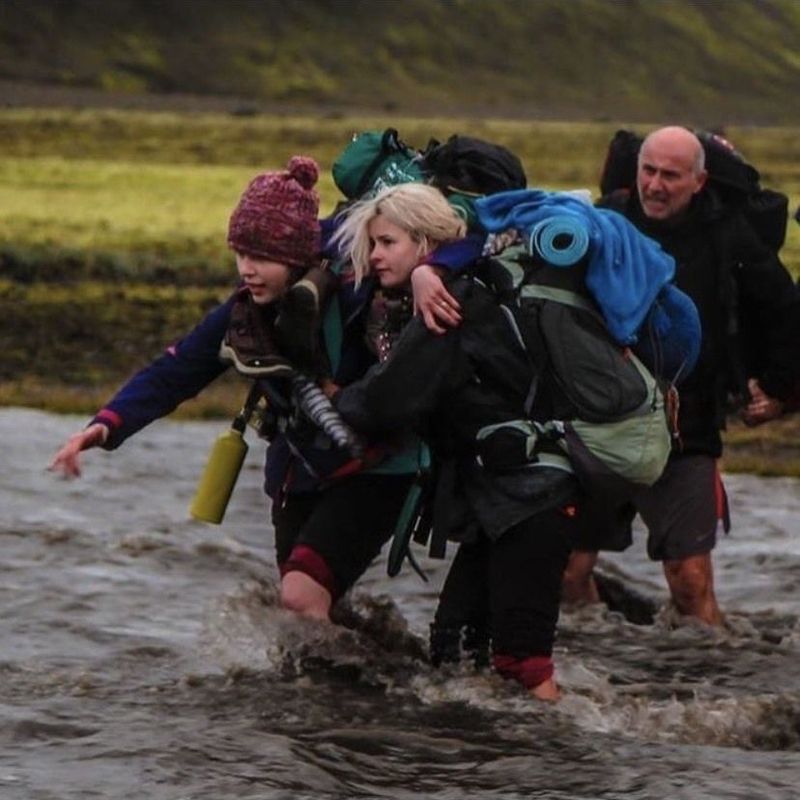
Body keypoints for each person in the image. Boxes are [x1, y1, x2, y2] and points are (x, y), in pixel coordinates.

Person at [49, 155, 473, 625]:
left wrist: (428, 271)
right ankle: (369, 674)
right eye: (241, 255)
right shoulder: (242, 311)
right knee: (308, 606)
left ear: (296, 259)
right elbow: (174, 371)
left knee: (300, 595)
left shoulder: (357, 285)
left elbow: (465, 235)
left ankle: (342, 690)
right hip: (299, 470)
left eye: (261, 258)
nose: (246, 270)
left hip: (377, 468)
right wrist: (103, 427)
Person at [331, 183, 583, 701]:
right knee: (454, 650)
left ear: (425, 243)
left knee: (520, 662)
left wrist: (332, 395)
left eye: (386, 242)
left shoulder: (447, 305)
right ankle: (490, 764)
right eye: (372, 244)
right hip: (506, 504)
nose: (374, 256)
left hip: (532, 501)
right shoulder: (469, 284)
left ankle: (568, 760)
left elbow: (385, 400)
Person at [562, 126, 800, 624]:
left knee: (690, 584)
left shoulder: (727, 232)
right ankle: (609, 661)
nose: (655, 185)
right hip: (597, 421)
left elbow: (783, 311)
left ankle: (712, 685)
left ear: (699, 180)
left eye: (670, 176)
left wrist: (781, 391)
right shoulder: (605, 222)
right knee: (567, 573)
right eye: (648, 171)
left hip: (686, 427)